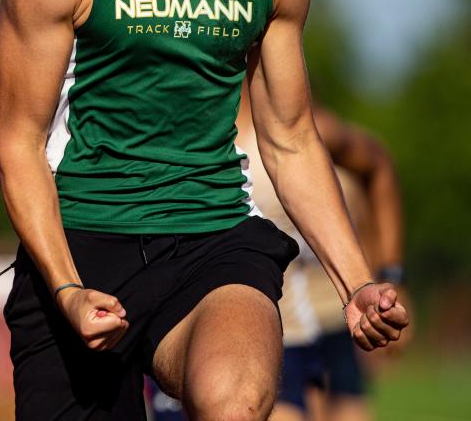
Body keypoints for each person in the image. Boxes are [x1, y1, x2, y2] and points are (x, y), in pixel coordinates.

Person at [0, 0, 410, 419]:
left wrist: (357, 282)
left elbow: (291, 137)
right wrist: (68, 287)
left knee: (233, 401)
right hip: (80, 245)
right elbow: (16, 141)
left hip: (211, 236)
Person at [145, 93, 409, 421]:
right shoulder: (166, 128)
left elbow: (378, 165)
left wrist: (387, 275)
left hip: (290, 335)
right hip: (183, 330)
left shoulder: (299, 133)